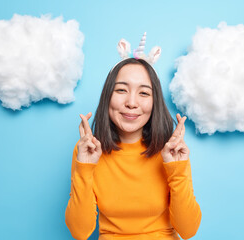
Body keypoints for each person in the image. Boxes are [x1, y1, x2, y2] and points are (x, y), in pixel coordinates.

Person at [65, 35, 202, 240]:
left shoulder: (171, 150)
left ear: (154, 102)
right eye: (121, 90)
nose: (131, 102)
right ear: (107, 96)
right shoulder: (88, 149)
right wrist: (85, 167)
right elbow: (80, 232)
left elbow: (188, 230)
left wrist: (177, 169)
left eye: (144, 93)